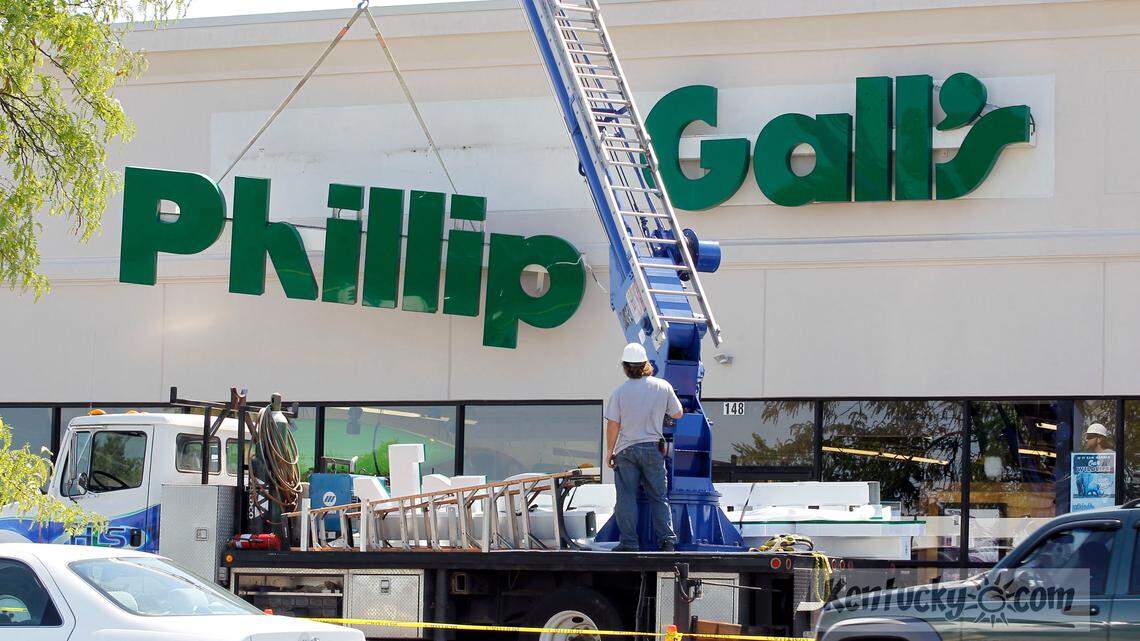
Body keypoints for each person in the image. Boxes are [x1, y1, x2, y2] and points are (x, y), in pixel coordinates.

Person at [604, 342, 683, 552]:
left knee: (626, 497)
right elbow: (678, 413)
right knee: (658, 496)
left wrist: (609, 451)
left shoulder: (619, 392)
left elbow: (613, 424)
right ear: (645, 363)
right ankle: (667, 541)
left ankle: (629, 543)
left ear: (625, 366)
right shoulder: (662, 386)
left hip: (626, 450)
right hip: (653, 449)